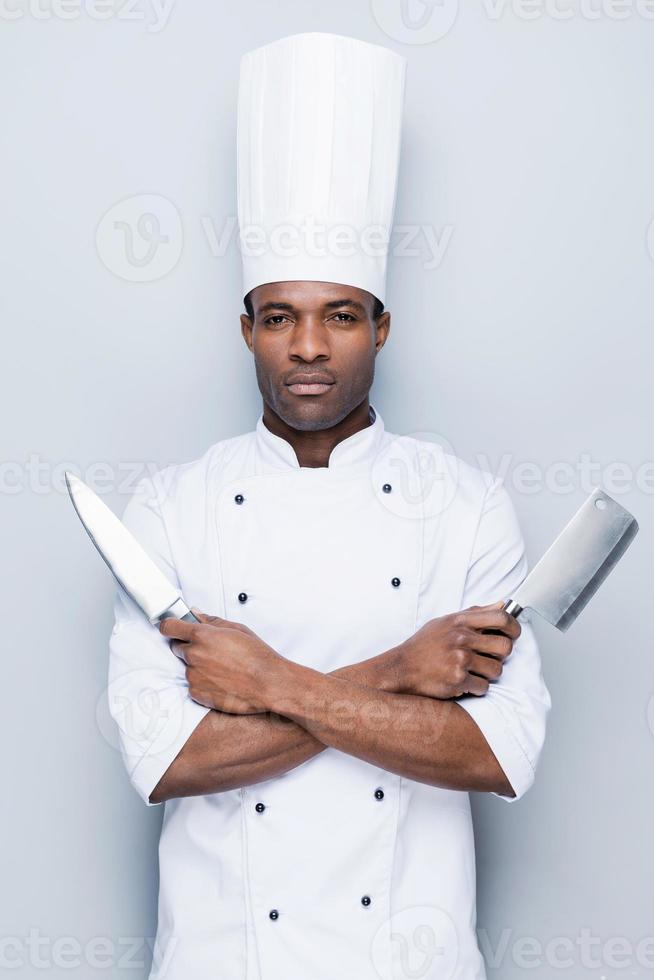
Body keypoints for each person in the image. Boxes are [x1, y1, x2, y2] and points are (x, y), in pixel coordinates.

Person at [108, 32, 551, 980]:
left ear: (382, 328)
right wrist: (403, 668)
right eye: (280, 317)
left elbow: (492, 754)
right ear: (247, 330)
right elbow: (169, 762)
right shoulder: (170, 509)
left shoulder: (467, 506)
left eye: (341, 315)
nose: (309, 347)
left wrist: (265, 680)